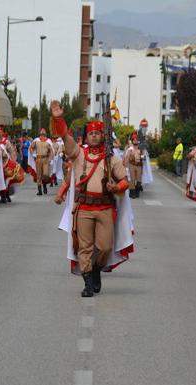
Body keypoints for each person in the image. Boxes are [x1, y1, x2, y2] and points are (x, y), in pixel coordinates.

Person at [50, 100, 130, 297]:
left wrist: (116, 186)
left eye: (97, 133)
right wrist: (58, 118)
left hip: (104, 208)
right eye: (91, 133)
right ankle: (87, 283)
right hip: (84, 207)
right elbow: (65, 137)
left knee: (105, 247)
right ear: (87, 136)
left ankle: (96, 269)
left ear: (103, 136)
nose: (94, 136)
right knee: (84, 247)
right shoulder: (79, 154)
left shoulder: (112, 158)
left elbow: (126, 182)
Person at [30, 128, 54, 195]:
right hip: (38, 159)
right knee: (39, 175)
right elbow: (31, 148)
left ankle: (44, 185)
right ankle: (39, 190)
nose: (43, 132)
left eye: (44, 131)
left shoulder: (48, 141)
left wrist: (50, 159)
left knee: (46, 174)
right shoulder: (36, 140)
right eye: (41, 132)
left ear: (45, 133)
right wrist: (33, 154)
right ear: (40, 133)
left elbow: (51, 151)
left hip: (46, 159)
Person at [123, 132, 143, 198]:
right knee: (132, 179)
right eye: (134, 140)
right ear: (132, 140)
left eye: (136, 140)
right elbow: (126, 157)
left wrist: (142, 157)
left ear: (138, 140)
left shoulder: (140, 148)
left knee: (139, 179)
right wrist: (125, 165)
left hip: (139, 165)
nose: (135, 141)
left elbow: (143, 156)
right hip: (131, 165)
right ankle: (132, 193)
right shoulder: (129, 148)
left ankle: (137, 190)